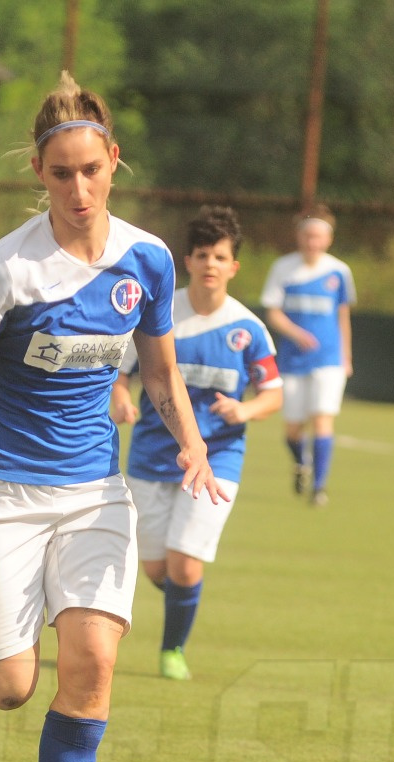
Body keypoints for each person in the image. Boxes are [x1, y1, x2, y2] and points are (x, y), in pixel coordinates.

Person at [0, 72, 225, 762]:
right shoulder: (6, 270)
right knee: (11, 687)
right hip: (0, 495)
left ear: (114, 162)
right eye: (61, 173)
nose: (79, 187)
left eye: (92, 170)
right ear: (38, 172)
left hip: (97, 491)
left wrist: (192, 444)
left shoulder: (149, 260)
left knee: (94, 659)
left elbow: (160, 373)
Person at [111, 205, 281, 682]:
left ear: (233, 267)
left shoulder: (248, 330)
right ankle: (185, 605)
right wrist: (122, 400)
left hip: (217, 458)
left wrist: (244, 410)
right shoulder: (158, 316)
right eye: (202, 254)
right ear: (187, 261)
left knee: (185, 565)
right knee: (157, 569)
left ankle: (173, 650)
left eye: (220, 256)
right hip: (150, 457)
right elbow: (120, 376)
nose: (210, 263)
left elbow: (273, 394)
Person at [259, 205, 355, 507]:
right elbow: (272, 312)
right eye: (307, 236)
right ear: (299, 237)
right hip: (292, 361)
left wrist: (346, 357)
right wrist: (297, 333)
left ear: (328, 239)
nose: (312, 242)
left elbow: (343, 317)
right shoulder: (284, 268)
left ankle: (319, 488)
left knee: (323, 420)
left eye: (318, 236)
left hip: (328, 360)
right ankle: (302, 462)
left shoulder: (339, 271)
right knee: (293, 428)